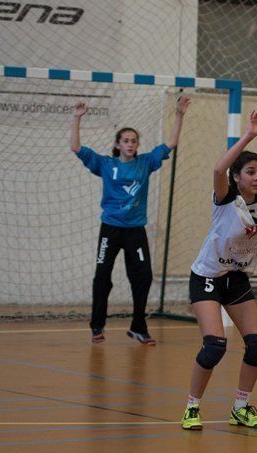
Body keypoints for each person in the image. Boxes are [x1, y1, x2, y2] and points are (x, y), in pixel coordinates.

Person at [180, 109, 257, 431]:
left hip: (236, 278)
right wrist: (249, 135)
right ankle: (192, 407)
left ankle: (241, 406)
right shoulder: (225, 198)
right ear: (237, 177)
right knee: (215, 345)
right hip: (208, 277)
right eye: (250, 172)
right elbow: (218, 167)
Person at [71, 96, 190, 345]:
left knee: (143, 276)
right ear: (118, 144)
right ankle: (97, 325)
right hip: (110, 230)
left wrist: (179, 114)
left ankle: (138, 326)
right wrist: (77, 118)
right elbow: (76, 148)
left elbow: (171, 143)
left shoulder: (145, 162)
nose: (131, 144)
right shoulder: (105, 164)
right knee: (102, 276)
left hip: (135, 231)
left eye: (134, 141)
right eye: (126, 141)